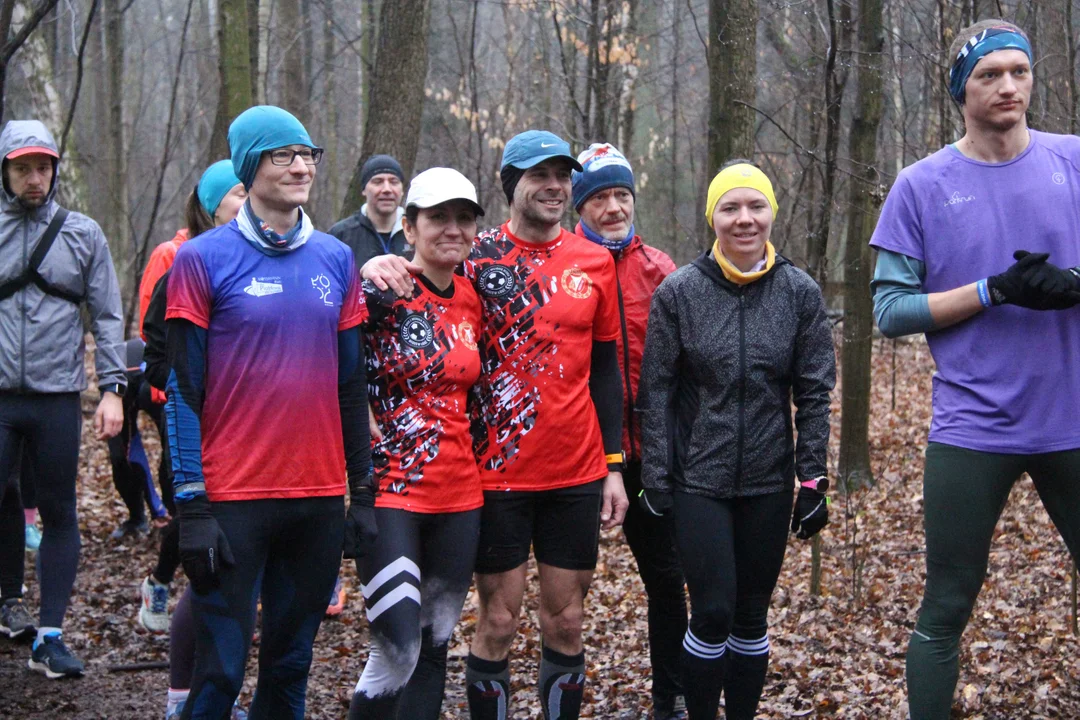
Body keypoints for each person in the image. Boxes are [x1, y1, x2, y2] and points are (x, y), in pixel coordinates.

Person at [362, 129, 629, 720]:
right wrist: (379, 260)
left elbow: (608, 372)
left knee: (566, 619)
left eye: (562, 176)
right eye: (539, 176)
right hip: (494, 474)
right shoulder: (475, 255)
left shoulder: (594, 261)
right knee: (499, 621)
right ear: (512, 186)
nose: (554, 187)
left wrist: (614, 466)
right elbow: (415, 284)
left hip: (577, 472)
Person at [868, 19, 1080, 719]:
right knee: (948, 599)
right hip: (973, 427)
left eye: (1019, 70)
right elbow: (892, 311)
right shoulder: (921, 185)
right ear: (963, 88)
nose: (1009, 86)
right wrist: (994, 290)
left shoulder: (1073, 161)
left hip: (1073, 419)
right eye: (990, 74)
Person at [165, 105, 375, 719]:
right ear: (250, 166)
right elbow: (183, 390)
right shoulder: (201, 259)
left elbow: (351, 383)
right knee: (221, 673)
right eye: (283, 155)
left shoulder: (336, 259)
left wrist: (360, 491)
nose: (301, 166)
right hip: (233, 500)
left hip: (314, 499)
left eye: (308, 153)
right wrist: (192, 503)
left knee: (290, 667)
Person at [638, 161, 834, 720]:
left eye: (756, 206)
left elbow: (815, 390)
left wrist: (812, 479)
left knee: (752, 615)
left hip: (770, 481)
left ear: (772, 213)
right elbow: (656, 390)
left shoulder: (799, 292)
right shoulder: (679, 293)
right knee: (714, 611)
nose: (744, 219)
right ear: (712, 218)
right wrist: (656, 477)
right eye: (730, 208)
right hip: (698, 480)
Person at [348, 167, 485, 718]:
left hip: (461, 496)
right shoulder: (382, 288)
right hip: (390, 493)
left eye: (463, 218)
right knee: (398, 648)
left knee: (433, 648)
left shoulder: (475, 298)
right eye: (436, 218)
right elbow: (326, 343)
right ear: (409, 227)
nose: (451, 229)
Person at [0, 119, 126, 677]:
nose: (34, 178)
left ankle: (49, 636)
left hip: (56, 397)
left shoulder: (83, 234)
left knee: (58, 511)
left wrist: (113, 390)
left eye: (43, 167)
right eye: (23, 167)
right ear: (5, 171)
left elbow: (107, 314)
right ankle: (8, 600)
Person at [570, 143, 687, 719]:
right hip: (577, 453)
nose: (613, 207)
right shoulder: (563, 265)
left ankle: (670, 695)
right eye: (599, 197)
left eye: (621, 195)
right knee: (567, 585)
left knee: (666, 579)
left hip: (650, 458)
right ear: (579, 207)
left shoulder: (661, 270)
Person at [135, 160, 246, 638]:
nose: (247, 202)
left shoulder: (259, 258)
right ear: (211, 206)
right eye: (238, 194)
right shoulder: (180, 257)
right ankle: (163, 585)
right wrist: (185, 390)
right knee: (193, 510)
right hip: (184, 410)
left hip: (245, 419)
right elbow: (154, 341)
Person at [330, 154, 410, 269]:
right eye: (378, 182)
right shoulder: (341, 235)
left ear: (402, 190)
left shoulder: (416, 232)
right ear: (363, 189)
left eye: (394, 182)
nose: (387, 189)